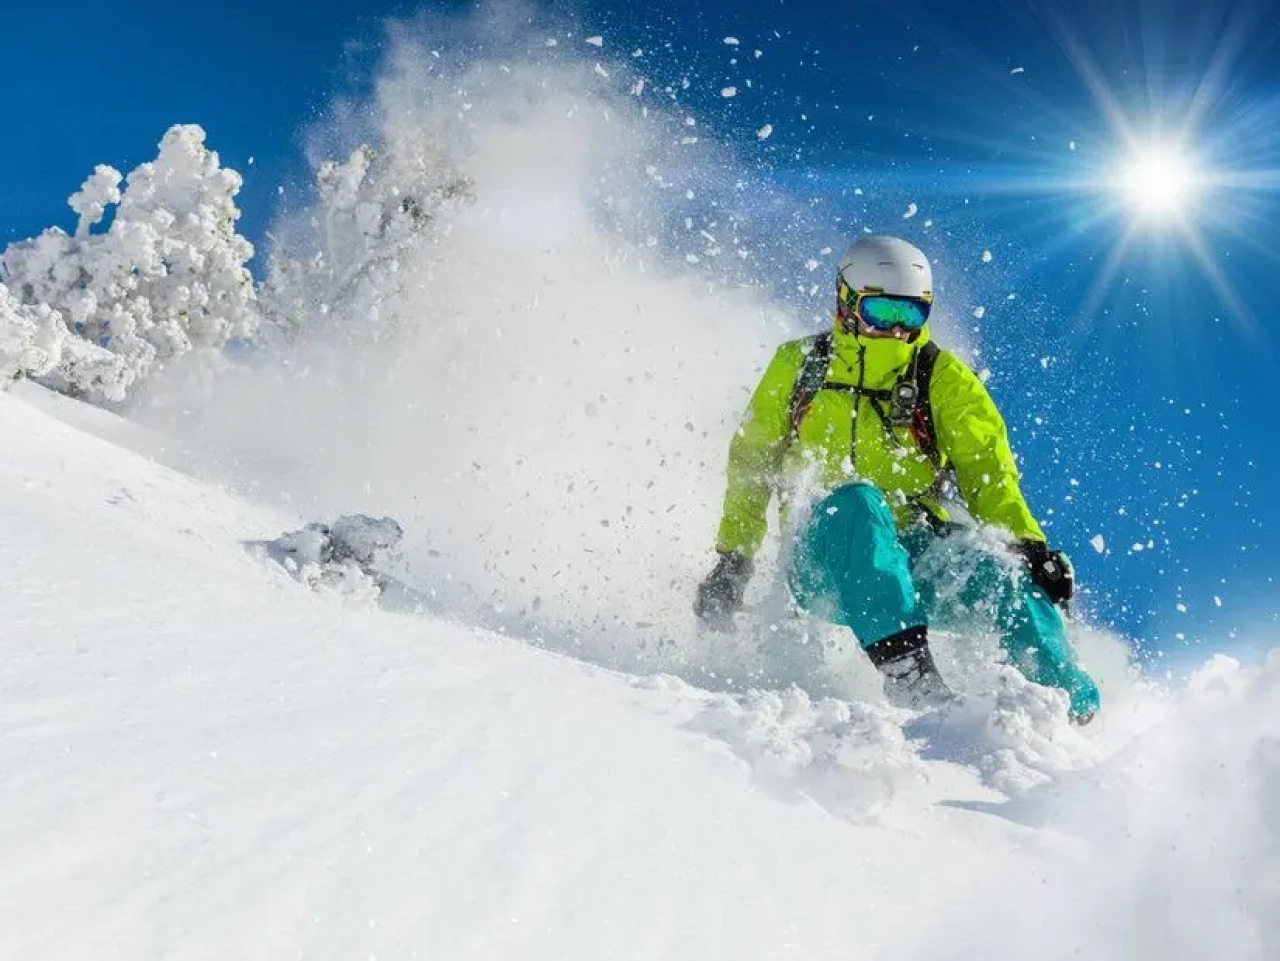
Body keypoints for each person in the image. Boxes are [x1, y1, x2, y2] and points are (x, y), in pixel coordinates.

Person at [694, 235, 1100, 723]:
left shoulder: (940, 377)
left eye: (911, 317)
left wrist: (1030, 547)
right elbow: (752, 463)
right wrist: (734, 558)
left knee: (1003, 573)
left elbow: (987, 471)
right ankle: (911, 673)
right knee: (857, 501)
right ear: (845, 303)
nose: (896, 332)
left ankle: (1066, 707)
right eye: (881, 314)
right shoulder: (800, 366)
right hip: (823, 559)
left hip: (914, 555)